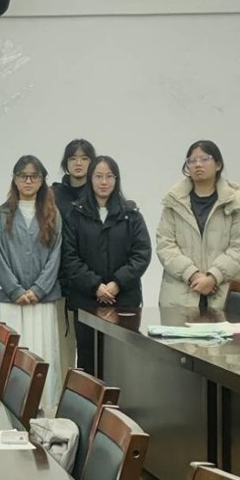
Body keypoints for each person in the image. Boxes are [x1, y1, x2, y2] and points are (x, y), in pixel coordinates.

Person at [62, 156, 151, 373]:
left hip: (124, 300)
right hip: (86, 300)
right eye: (98, 176)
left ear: (116, 179)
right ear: (90, 179)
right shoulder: (75, 214)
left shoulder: (131, 214)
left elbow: (141, 254)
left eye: (109, 177)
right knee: (88, 361)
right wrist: (95, 286)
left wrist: (117, 283)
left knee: (122, 363)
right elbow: (69, 257)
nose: (104, 182)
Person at [0, 155, 62, 411]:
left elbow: (55, 256)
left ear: (42, 180)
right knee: (12, 355)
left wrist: (38, 290)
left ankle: (42, 408)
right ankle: (9, 406)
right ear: (15, 179)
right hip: (11, 300)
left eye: (34, 176)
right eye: (23, 176)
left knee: (42, 353)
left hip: (41, 301)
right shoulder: (1, 215)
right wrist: (15, 290)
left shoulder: (53, 214)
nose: (28, 181)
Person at [156, 140, 240, 312]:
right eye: (192, 160)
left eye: (204, 159)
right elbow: (165, 245)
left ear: (218, 164)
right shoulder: (173, 202)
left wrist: (213, 277)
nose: (198, 164)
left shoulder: (234, 202)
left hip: (222, 293)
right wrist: (192, 274)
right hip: (180, 295)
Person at [52, 139, 95, 379]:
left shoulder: (99, 193)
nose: (78, 163)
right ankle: (64, 397)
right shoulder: (53, 195)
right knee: (63, 351)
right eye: (73, 158)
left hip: (92, 286)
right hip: (61, 283)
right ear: (65, 163)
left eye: (84, 158)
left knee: (92, 353)